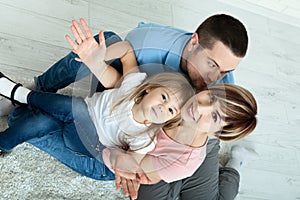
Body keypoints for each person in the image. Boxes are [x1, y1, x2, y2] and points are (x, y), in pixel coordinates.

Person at [0, 14, 249, 199]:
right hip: (119, 108)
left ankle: (236, 165)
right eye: (213, 64)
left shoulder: (210, 102)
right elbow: (126, 83)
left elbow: (137, 167)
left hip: (110, 149)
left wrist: (128, 166)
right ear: (194, 43)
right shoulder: (150, 50)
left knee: (21, 120)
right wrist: (96, 61)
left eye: (227, 71)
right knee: (103, 47)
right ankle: (30, 89)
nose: (216, 79)